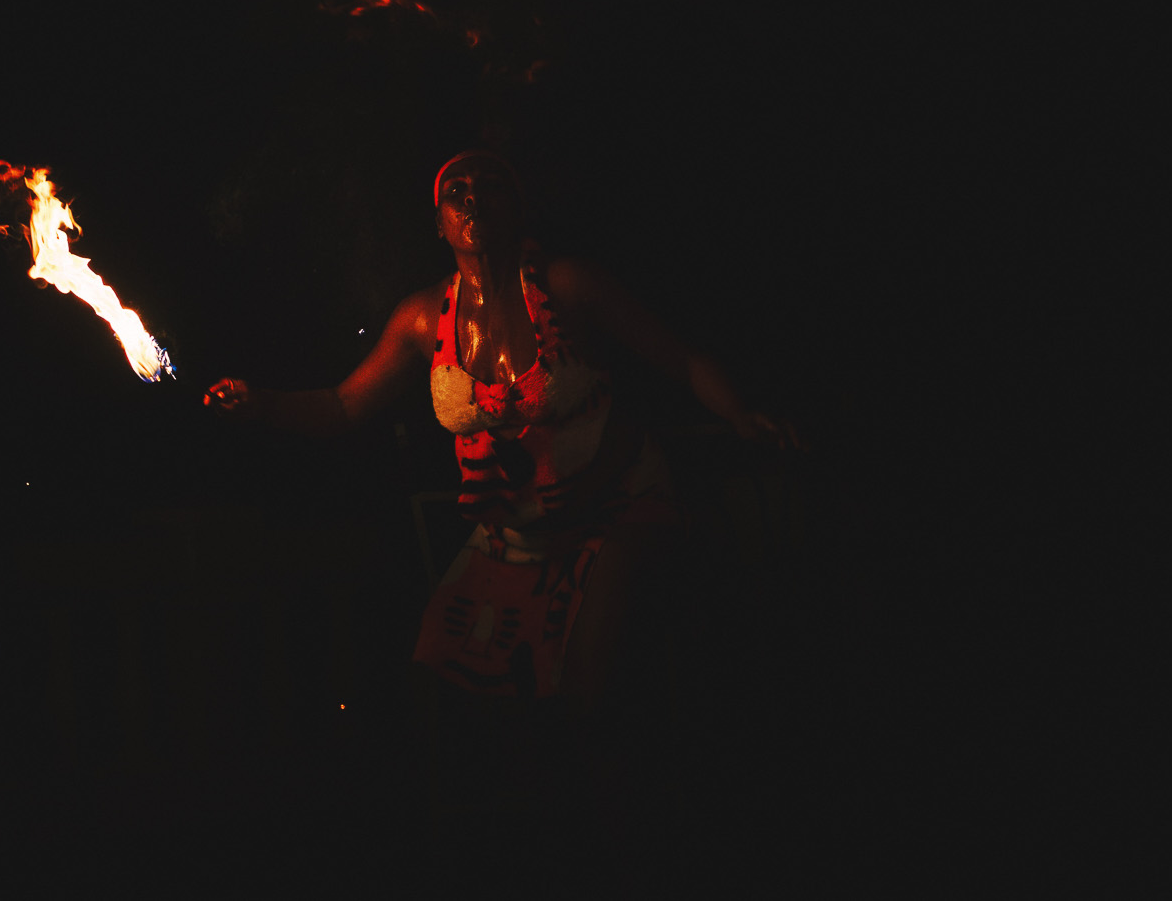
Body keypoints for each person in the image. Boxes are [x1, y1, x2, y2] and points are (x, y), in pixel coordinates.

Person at [204, 149, 800, 873]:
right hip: (511, 536)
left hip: (615, 506)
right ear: (440, 223)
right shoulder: (426, 318)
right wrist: (261, 403)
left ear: (519, 209)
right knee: (435, 681)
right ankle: (500, 857)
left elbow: (679, 359)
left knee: (586, 689)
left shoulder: (568, 285)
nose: (473, 197)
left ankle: (625, 857)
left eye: (490, 186)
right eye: (457, 191)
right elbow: (343, 404)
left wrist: (739, 414)